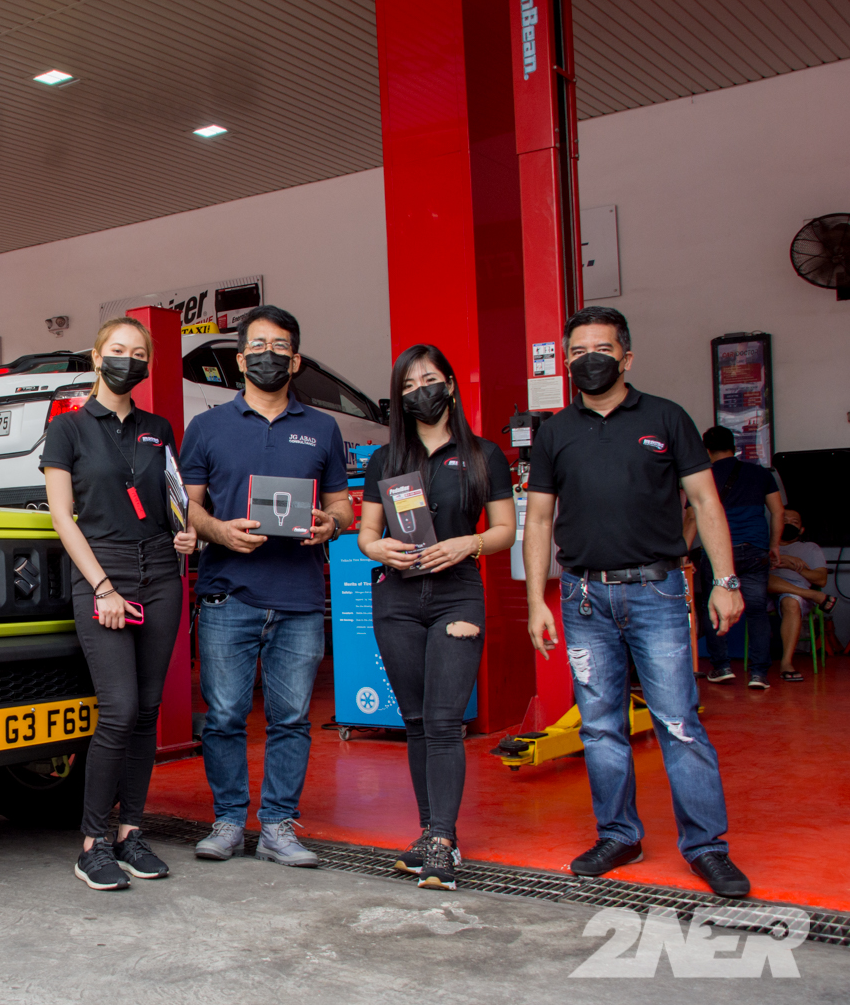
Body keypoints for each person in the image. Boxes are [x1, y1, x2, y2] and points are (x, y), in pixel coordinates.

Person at [524, 306, 751, 898]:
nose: (588, 360)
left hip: (659, 592)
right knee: (600, 727)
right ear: (566, 362)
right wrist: (535, 600)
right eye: (577, 352)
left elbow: (705, 502)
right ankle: (619, 835)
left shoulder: (666, 418)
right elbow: (539, 520)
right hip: (582, 598)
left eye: (601, 349)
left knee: (678, 722)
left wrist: (725, 581)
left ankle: (706, 847)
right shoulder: (555, 433)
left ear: (626, 356)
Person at [179, 304, 354, 867]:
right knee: (224, 717)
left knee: (292, 720)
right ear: (239, 359)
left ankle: (278, 825)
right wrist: (220, 532)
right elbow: (187, 509)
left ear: (295, 360)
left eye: (279, 346)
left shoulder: (323, 428)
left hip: (299, 599)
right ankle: (229, 821)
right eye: (257, 345)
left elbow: (343, 507)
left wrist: (331, 525)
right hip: (227, 594)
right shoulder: (207, 427)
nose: (268, 355)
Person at [41, 316, 198, 890]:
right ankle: (93, 843)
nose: (126, 360)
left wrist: (187, 534)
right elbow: (62, 517)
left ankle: (132, 832)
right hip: (103, 572)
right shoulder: (68, 428)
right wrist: (103, 587)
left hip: (160, 571)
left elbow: (174, 500)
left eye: (137, 353)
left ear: (147, 364)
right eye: (117, 350)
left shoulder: (158, 428)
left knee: (148, 711)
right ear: (96, 356)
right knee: (120, 709)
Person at [357, 345, 515, 891]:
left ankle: (443, 842)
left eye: (428, 380)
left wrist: (469, 543)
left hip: (457, 596)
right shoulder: (385, 459)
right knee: (416, 720)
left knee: (445, 719)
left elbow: (505, 530)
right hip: (396, 600)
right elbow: (367, 534)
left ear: (449, 384)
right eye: (407, 386)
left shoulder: (484, 455)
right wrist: (379, 549)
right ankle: (430, 832)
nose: (419, 391)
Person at [689, 425, 782, 688]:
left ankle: (721, 667)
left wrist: (683, 552)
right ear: (734, 446)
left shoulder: (703, 476)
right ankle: (759, 674)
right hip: (755, 549)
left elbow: (692, 518)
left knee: (714, 608)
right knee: (757, 611)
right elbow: (778, 511)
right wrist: (774, 545)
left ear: (707, 450)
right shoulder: (760, 473)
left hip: (719, 552)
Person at [769, 508, 836, 680]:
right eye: (784, 521)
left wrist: (795, 567)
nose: (788, 524)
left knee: (791, 601)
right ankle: (813, 595)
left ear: (801, 530)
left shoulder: (810, 548)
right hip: (764, 592)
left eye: (794, 522)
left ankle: (786, 663)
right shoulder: (763, 545)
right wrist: (782, 559)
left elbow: (821, 580)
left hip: (794, 595)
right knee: (760, 579)